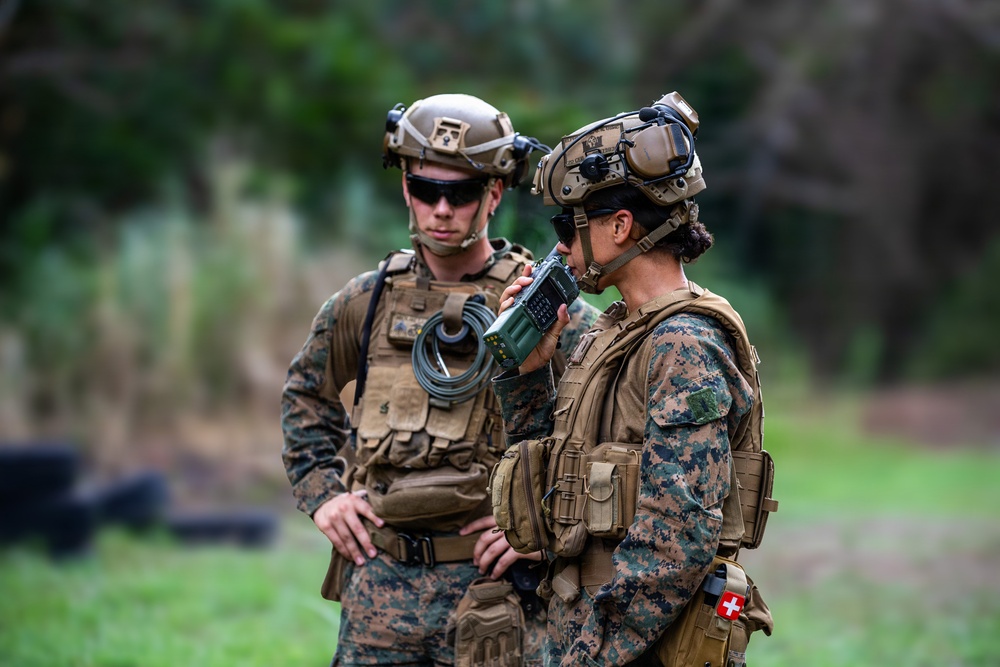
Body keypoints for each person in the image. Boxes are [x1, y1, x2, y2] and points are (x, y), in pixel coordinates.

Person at [281, 93, 602, 667]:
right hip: (377, 591)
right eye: (427, 189)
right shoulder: (365, 300)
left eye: (462, 192)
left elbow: (607, 425)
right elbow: (306, 396)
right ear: (406, 187)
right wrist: (322, 495)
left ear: (494, 193)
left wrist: (548, 523)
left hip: (493, 594)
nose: (442, 209)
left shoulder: (538, 304)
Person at [490, 92, 777, 666]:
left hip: (642, 646)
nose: (560, 246)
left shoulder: (684, 345)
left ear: (620, 225)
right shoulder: (617, 330)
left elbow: (676, 543)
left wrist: (587, 655)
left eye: (567, 226)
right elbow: (554, 481)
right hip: (588, 627)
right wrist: (526, 372)